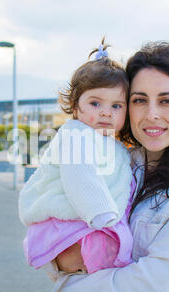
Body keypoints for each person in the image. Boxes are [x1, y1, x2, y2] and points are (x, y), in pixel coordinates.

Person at [48, 41, 169, 292]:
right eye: (139, 100)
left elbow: (156, 282)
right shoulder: (115, 164)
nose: (151, 114)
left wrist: (67, 291)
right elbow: (56, 241)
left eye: (167, 101)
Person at [19, 39, 135, 276]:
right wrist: (102, 214)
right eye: (95, 103)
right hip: (73, 226)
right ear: (75, 107)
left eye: (116, 106)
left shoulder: (117, 148)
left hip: (91, 228)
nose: (105, 111)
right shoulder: (75, 134)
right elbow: (80, 177)